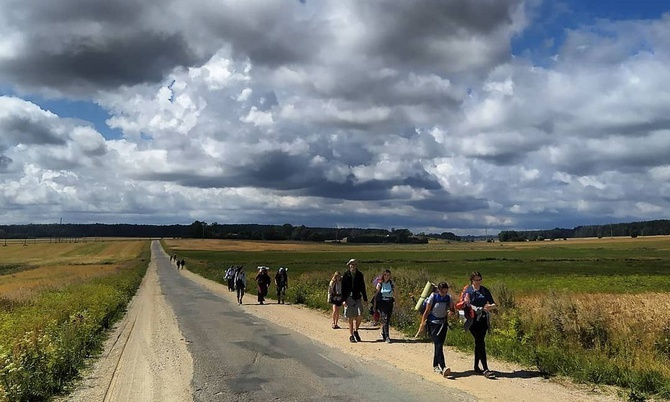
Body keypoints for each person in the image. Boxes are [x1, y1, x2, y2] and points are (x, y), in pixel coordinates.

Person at [463, 271, 497, 379]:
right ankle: (486, 369)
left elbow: (494, 304)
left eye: (479, 279)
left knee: (479, 342)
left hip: (483, 320)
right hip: (472, 320)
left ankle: (477, 366)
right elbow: (467, 304)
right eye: (476, 280)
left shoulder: (484, 290)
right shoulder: (468, 291)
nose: (478, 282)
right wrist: (480, 308)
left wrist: (489, 307)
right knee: (480, 341)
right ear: (472, 280)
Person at [419, 281, 455, 377]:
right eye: (443, 292)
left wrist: (451, 312)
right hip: (433, 324)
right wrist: (422, 324)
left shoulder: (448, 298)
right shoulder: (433, 297)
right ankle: (443, 367)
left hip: (443, 324)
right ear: (438, 290)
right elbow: (426, 311)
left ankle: (435, 365)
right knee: (438, 344)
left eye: (446, 292)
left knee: (439, 345)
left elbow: (452, 310)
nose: (444, 294)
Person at [341, 258, 368, 343]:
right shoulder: (346, 275)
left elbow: (363, 287)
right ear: (349, 266)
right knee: (351, 317)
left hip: (357, 297)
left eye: (354, 265)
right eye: (351, 265)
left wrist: (365, 298)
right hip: (349, 297)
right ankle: (351, 335)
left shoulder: (359, 275)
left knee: (359, 315)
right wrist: (343, 300)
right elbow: (343, 289)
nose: (353, 266)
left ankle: (356, 331)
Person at [375, 269, 395, 343]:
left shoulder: (391, 283)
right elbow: (377, 294)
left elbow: (395, 292)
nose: (387, 276)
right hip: (382, 302)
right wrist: (374, 306)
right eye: (385, 275)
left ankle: (384, 332)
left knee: (387, 319)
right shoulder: (380, 283)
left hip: (390, 302)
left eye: (388, 275)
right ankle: (387, 337)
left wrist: (398, 301)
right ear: (383, 275)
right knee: (385, 318)